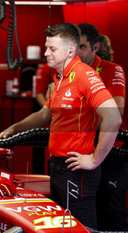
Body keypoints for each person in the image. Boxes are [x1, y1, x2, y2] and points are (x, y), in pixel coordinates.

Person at [0, 22, 121, 229]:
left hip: (77, 170)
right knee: (60, 227)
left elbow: (113, 117)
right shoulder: (59, 78)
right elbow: (45, 113)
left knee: (80, 228)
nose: (46, 53)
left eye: (52, 49)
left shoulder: (84, 75)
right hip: (57, 166)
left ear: (70, 50)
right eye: (46, 47)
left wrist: (95, 159)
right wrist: (14, 129)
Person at [77, 23, 128, 231]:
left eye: (81, 46)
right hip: (81, 149)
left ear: (95, 47)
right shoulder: (68, 72)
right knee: (84, 210)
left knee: (111, 209)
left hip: (112, 148)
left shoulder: (111, 69)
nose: (75, 52)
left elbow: (117, 110)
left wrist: (79, 123)